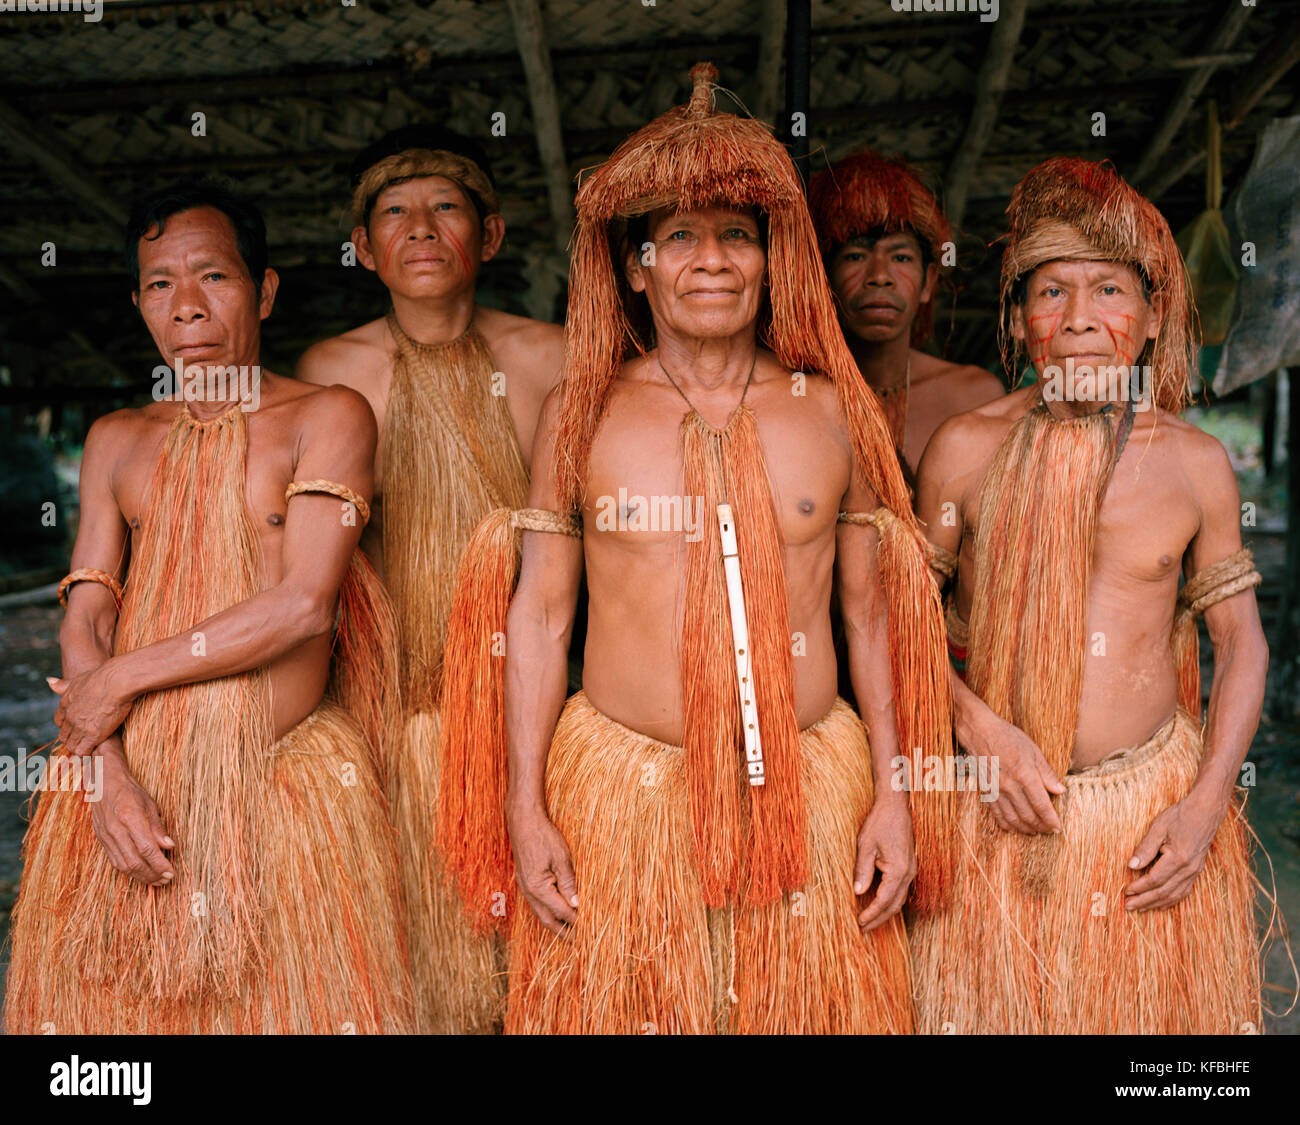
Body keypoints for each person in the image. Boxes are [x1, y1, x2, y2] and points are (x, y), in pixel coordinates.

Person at [435, 64, 954, 1034]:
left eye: (735, 237)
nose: (709, 261)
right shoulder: (581, 413)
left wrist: (894, 796)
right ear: (637, 266)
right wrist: (525, 804)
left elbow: (871, 615)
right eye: (679, 238)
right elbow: (540, 615)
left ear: (770, 260)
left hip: (810, 787)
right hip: (619, 789)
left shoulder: (830, 409)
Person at [2, 181, 412, 1034]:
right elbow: (85, 613)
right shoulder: (118, 438)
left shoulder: (327, 417)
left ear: (262, 290)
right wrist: (103, 771)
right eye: (159, 284)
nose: (186, 306)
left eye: (213, 277)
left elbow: (303, 603)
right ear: (139, 302)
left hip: (280, 785)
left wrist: (119, 681)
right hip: (134, 786)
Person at [910, 157, 1265, 1034]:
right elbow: (899, 614)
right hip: (992, 811)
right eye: (1050, 292)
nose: (1078, 320)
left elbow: (1242, 643)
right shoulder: (963, 446)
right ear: (1020, 319)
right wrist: (976, 729)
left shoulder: (1194, 463)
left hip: (1145, 816)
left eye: (1109, 291)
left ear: (1149, 321)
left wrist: (1207, 802)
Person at [296, 126, 564, 1033]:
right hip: (393, 716)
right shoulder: (332, 376)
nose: (420, 229)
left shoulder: (550, 360)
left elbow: (581, 553)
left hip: (536, 714)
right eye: (394, 213)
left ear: (487, 236)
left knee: (546, 956)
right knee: (417, 962)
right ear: (364, 248)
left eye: (445, 207)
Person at [809, 149, 1003, 480]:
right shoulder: (797, 397)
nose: (880, 275)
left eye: (900, 258)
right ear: (824, 281)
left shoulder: (975, 397)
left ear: (928, 283)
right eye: (855, 256)